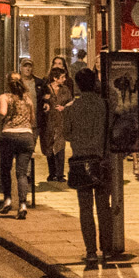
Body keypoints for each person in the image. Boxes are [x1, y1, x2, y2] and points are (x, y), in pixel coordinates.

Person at [66, 66, 112, 266]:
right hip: (101, 159)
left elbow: (66, 134)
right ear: (95, 83)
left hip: (80, 160)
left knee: (85, 209)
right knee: (103, 207)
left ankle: (91, 251)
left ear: (77, 85)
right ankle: (107, 249)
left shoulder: (71, 108)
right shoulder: (104, 105)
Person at [0, 72, 37, 218]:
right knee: (22, 173)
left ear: (8, 83)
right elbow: (32, 119)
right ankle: (23, 205)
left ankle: (7, 199)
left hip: (9, 135)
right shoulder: (27, 99)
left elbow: (2, 112)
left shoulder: (5, 97)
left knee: (5, 169)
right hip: (26, 136)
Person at [39, 57, 73, 183]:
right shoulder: (46, 88)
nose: (64, 79)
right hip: (49, 121)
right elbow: (40, 100)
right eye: (62, 77)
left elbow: (71, 100)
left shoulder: (65, 89)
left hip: (61, 121)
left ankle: (60, 174)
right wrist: (45, 103)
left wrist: (64, 107)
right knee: (49, 146)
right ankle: (51, 172)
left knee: (60, 146)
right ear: (55, 78)